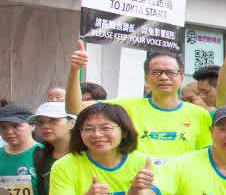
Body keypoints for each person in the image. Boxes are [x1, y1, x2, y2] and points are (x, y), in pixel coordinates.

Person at [66, 43, 211, 164]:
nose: (164, 77)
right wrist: (74, 70)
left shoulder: (199, 114)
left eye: (170, 72)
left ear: (181, 76)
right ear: (146, 78)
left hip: (180, 188)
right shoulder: (125, 107)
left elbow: (205, 158)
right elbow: (74, 108)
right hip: (137, 186)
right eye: (156, 72)